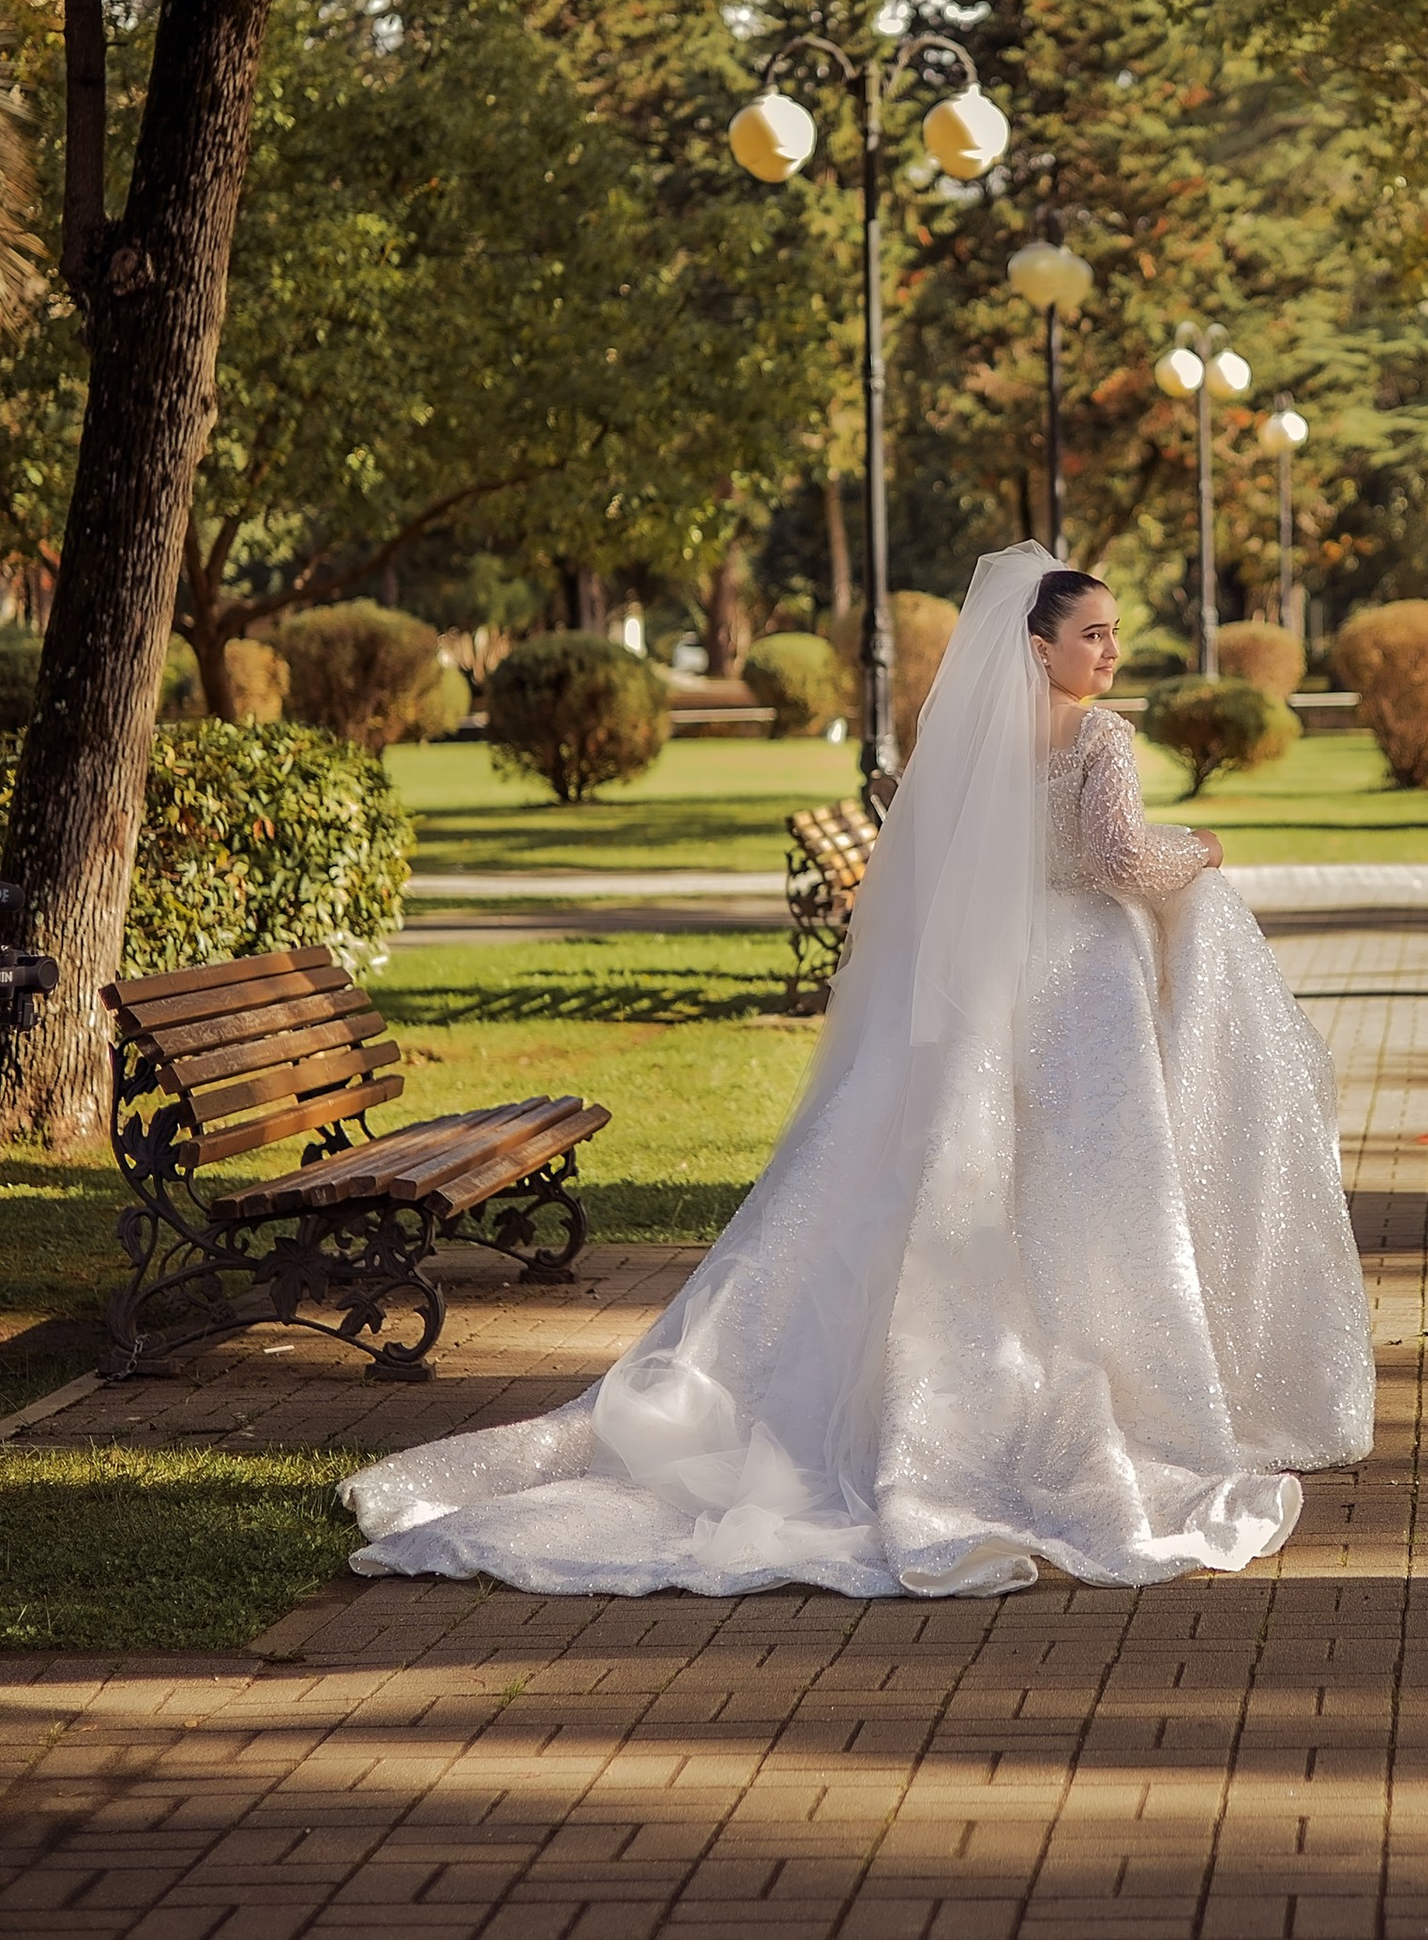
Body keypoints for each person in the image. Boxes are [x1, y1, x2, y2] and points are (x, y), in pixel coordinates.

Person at [345, 543, 1374, 1598]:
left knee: (979, 1170)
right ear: (1039, 646)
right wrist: (1202, 847)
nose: (1111, 652)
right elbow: (1119, 860)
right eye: (1093, 634)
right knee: (1092, 1181)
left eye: (1113, 633)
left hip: (995, 976)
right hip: (1082, 978)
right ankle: (1105, 1378)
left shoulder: (975, 738)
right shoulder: (1097, 735)